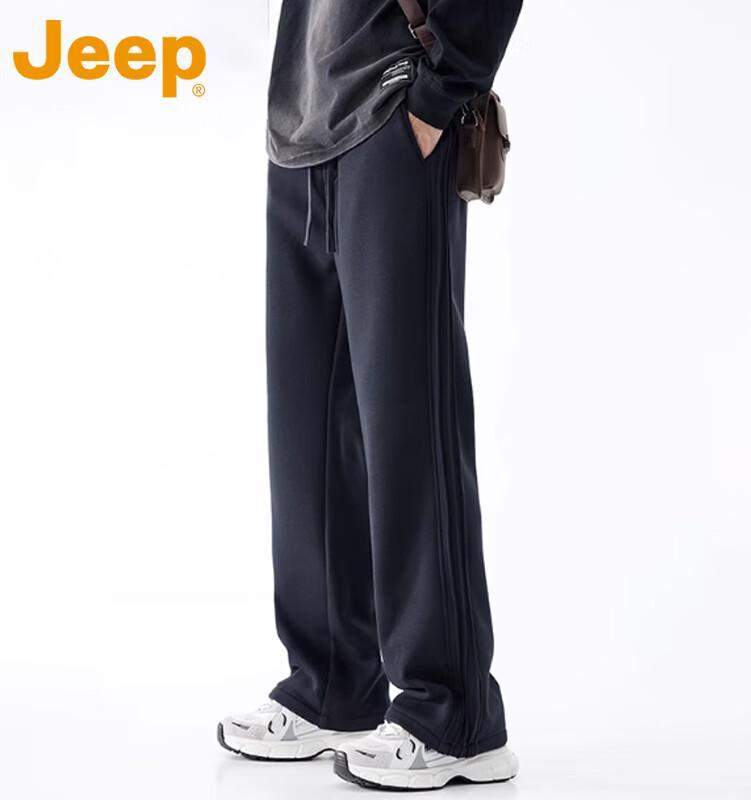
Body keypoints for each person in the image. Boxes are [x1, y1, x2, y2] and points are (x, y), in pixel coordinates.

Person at [218, 0, 523, 791]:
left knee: (408, 422)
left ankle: (454, 715)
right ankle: (330, 684)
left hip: (395, 112)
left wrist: (440, 92)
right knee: (306, 435)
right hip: (302, 126)